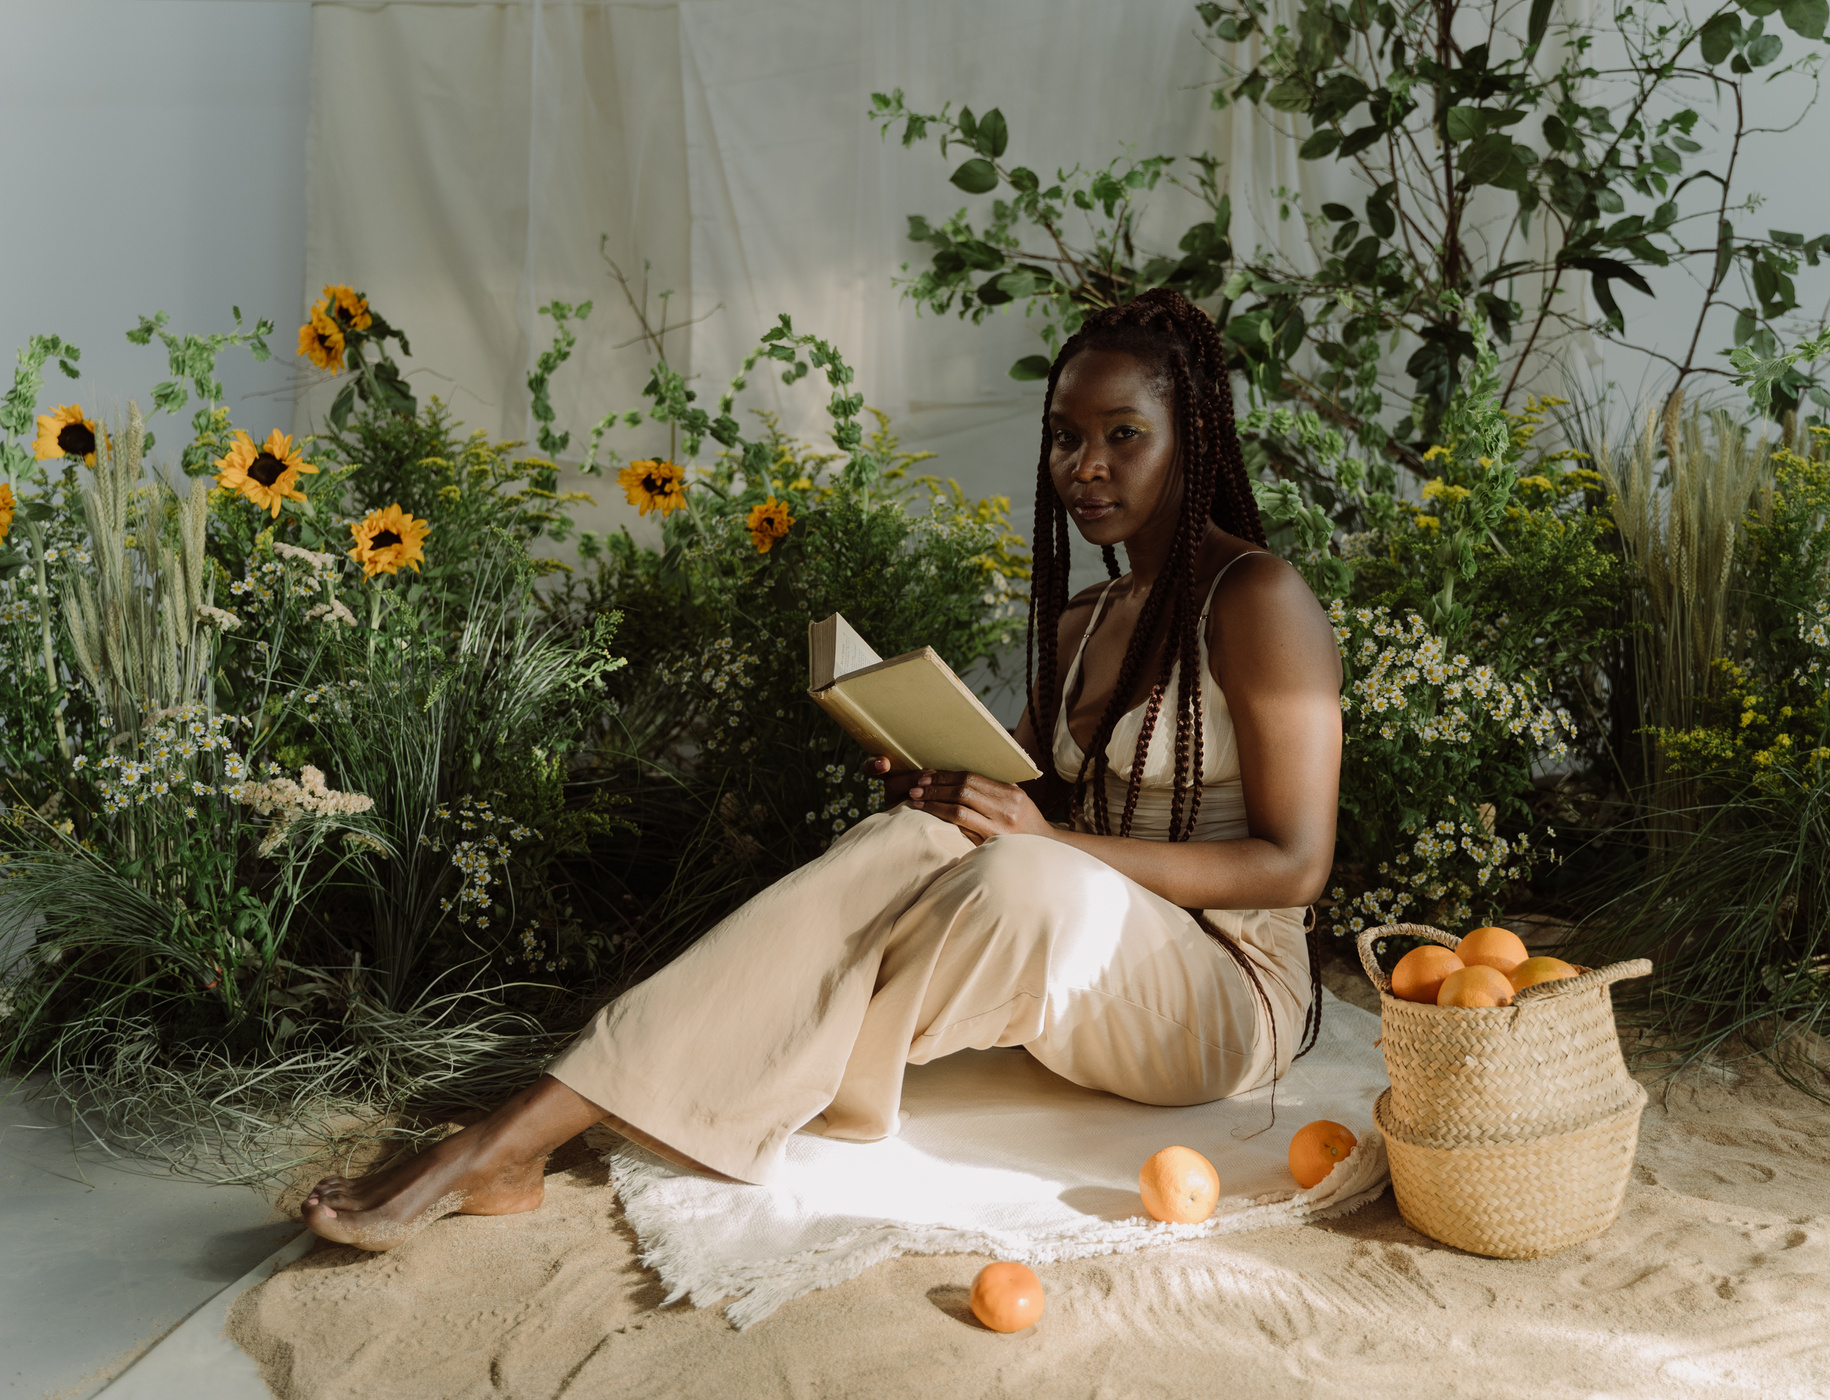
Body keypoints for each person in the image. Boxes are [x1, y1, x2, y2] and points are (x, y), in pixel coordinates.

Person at [303, 288, 1344, 1251]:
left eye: (1125, 435)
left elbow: (1294, 866)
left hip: (1222, 994)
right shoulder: (1088, 619)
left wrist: (1046, 841)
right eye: (1067, 437)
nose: (1087, 465)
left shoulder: (1258, 599)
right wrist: (943, 783)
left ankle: (579, 1103)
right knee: (930, 836)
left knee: (1022, 872)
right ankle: (540, 1125)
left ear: (1192, 438)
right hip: (1094, 951)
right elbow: (1027, 801)